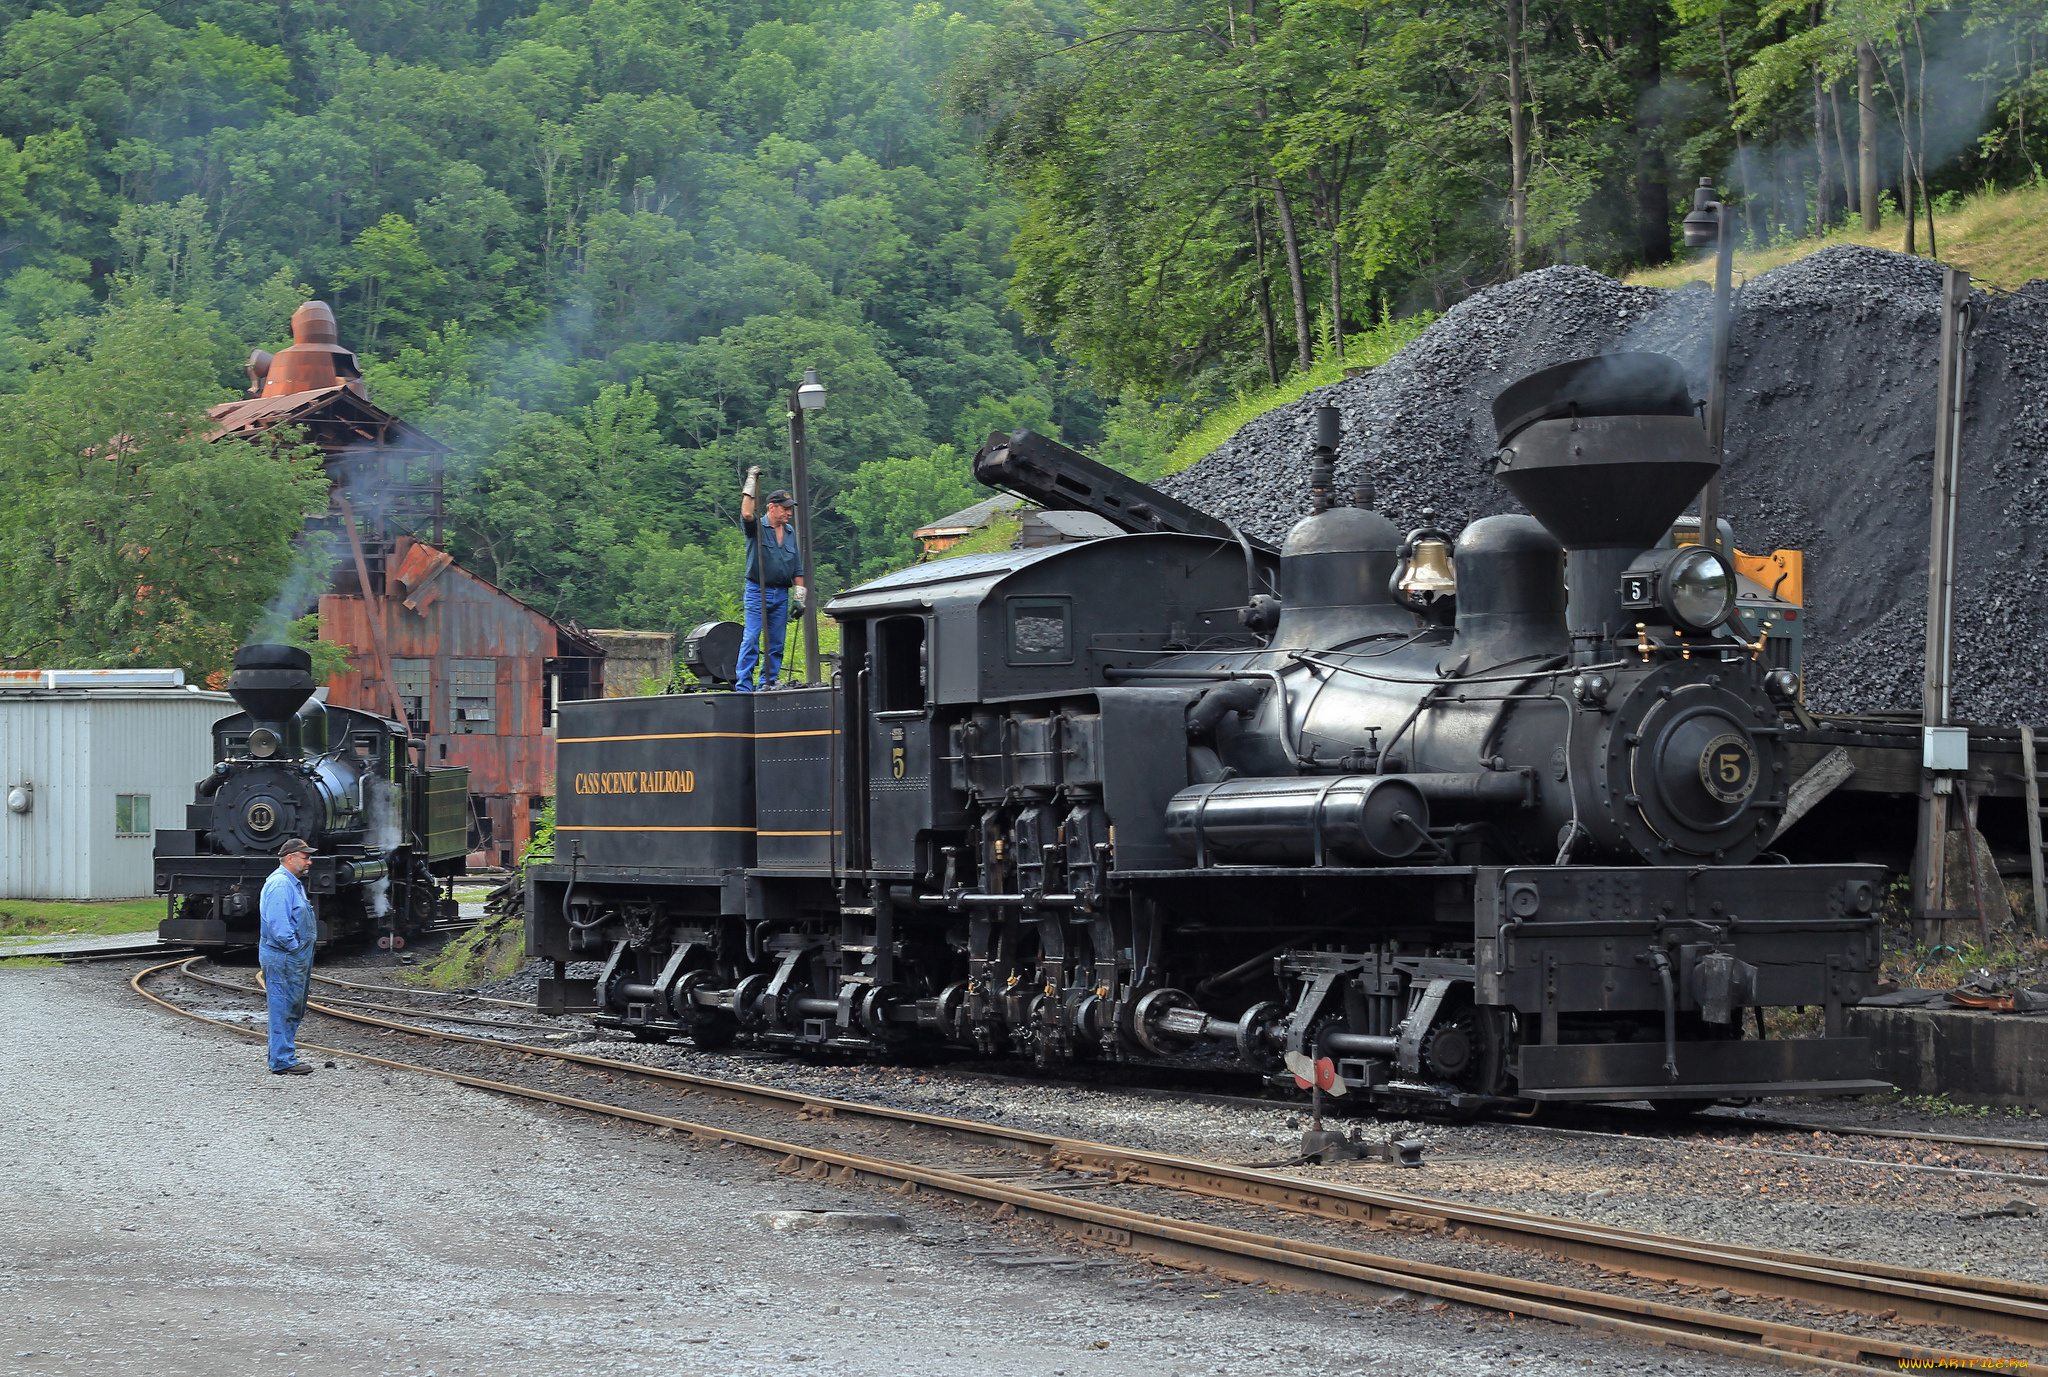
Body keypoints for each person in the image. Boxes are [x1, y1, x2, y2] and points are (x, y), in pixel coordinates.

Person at [737, 465, 807, 691]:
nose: (789, 513)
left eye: (790, 509)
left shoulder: (789, 533)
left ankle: (766, 684)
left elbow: (797, 566)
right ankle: (743, 688)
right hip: (758, 590)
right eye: (785, 509)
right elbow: (747, 513)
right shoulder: (757, 527)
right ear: (771, 508)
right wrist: (750, 481)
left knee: (776, 643)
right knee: (752, 638)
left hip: (781, 593)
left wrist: (800, 596)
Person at [259, 838, 319, 1075]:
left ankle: (282, 1054)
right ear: (291, 858)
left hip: (291, 955)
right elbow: (279, 925)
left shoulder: (292, 884)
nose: (309, 862)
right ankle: (282, 1060)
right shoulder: (281, 885)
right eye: (305, 857)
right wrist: (294, 948)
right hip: (285, 956)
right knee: (283, 1006)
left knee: (292, 1005)